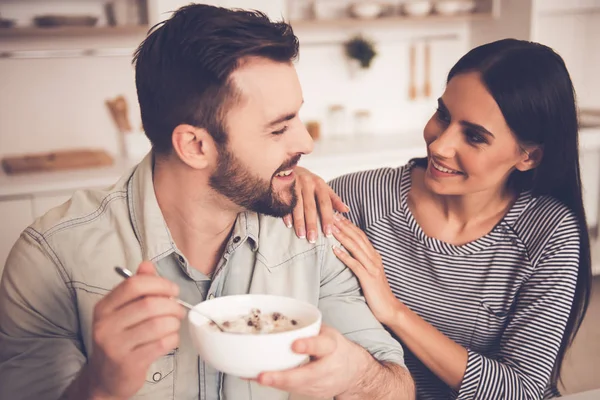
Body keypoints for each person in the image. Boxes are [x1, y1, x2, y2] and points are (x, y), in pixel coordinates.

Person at [0, 4, 415, 400]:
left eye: (297, 118)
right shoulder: (53, 258)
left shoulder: (312, 234)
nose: (306, 142)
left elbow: (398, 390)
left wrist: (356, 374)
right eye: (278, 129)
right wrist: (100, 388)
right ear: (195, 145)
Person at [286, 38, 591, 399]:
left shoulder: (549, 235)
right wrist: (290, 181)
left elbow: (521, 390)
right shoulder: (360, 200)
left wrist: (395, 312)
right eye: (443, 114)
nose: (439, 145)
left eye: (474, 136)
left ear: (529, 157)